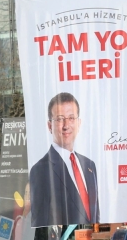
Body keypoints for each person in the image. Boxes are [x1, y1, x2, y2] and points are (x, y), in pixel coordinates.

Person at [28, 92, 100, 227]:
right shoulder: (40, 170)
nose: (66, 125)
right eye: (60, 119)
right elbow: (40, 221)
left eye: (71, 118)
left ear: (79, 123)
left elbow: (95, 216)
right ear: (50, 126)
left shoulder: (90, 166)